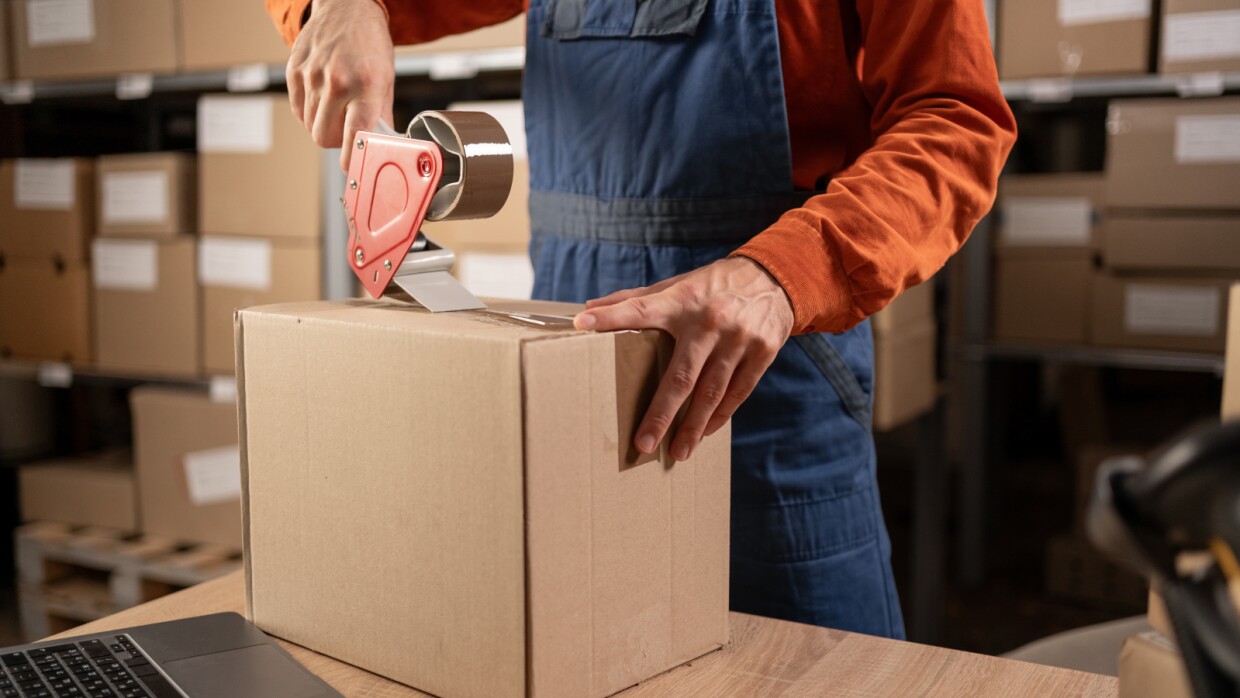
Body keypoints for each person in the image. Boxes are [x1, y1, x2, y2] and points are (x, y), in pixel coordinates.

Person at [266, 0, 1016, 638]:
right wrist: (338, 5)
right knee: (583, 654)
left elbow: (956, 121)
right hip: (570, 360)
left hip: (767, 376)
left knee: (817, 667)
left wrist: (782, 276)